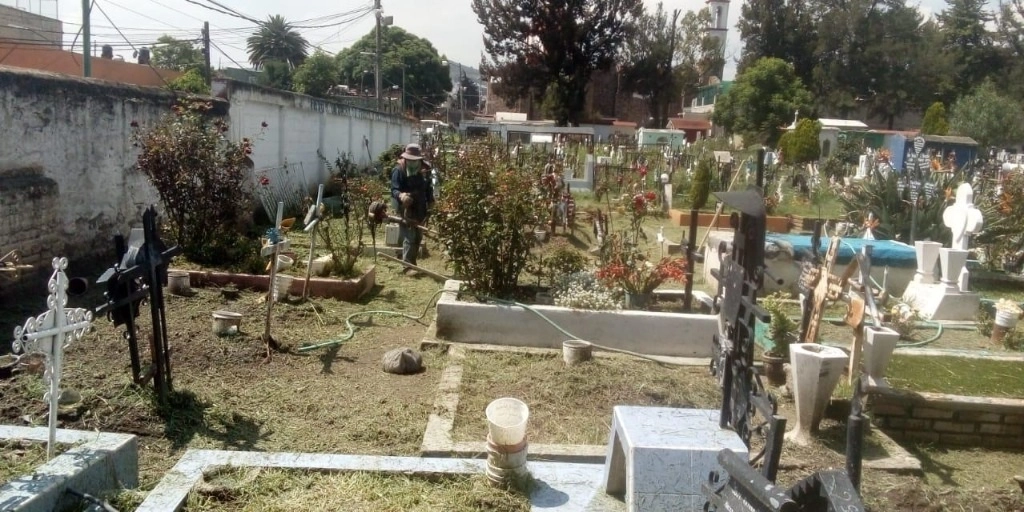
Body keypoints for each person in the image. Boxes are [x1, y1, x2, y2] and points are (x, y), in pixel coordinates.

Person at [391, 143, 434, 271]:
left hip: (420, 207)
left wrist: (431, 201)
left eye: (415, 160)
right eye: (410, 159)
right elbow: (394, 189)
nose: (413, 162)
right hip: (406, 207)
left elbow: (428, 188)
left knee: (418, 237)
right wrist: (401, 195)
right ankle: (407, 266)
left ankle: (412, 263)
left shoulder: (425, 170)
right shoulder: (399, 170)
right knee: (409, 236)